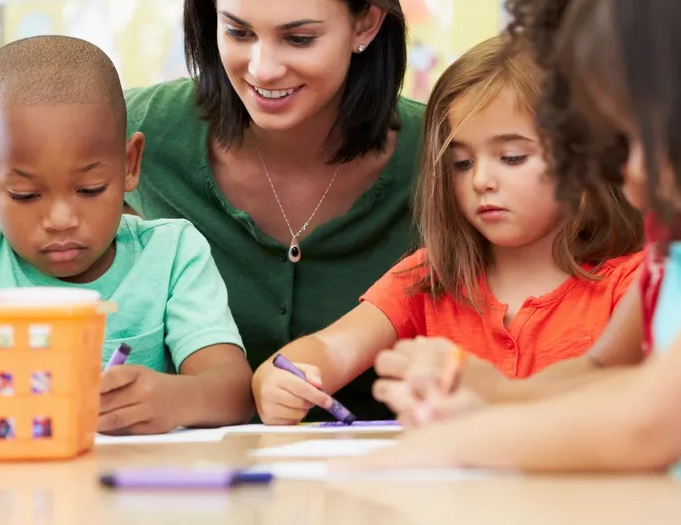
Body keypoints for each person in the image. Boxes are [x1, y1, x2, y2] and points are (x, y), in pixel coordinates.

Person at [349, 0, 681, 474]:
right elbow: (605, 374)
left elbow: (647, 424)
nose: (620, 173)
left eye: (635, 139)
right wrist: (490, 395)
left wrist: (450, 446)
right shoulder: (667, 245)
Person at [124, 0, 424, 420]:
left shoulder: (447, 153)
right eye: (238, 31)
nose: (262, 67)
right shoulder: (137, 131)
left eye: (299, 37)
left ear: (366, 24)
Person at [252, 34, 643, 425]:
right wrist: (278, 379)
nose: (481, 181)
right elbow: (330, 349)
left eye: (511, 157)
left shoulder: (635, 284)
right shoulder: (429, 277)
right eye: (461, 163)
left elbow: (636, 408)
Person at [0, 35, 253, 436]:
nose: (61, 219)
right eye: (25, 195)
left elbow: (235, 393)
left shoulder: (171, 253)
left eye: (90, 189)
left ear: (130, 164)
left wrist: (172, 398)